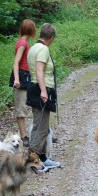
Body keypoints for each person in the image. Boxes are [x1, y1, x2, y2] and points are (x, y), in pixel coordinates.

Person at [26, 23, 61, 170]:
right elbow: (39, 71)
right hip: (41, 89)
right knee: (41, 127)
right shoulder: (43, 49)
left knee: (41, 126)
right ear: (51, 38)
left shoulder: (33, 48)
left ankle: (42, 158)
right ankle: (32, 160)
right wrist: (44, 91)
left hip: (35, 88)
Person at [12, 19, 37, 146]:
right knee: (21, 107)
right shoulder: (22, 43)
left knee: (33, 105)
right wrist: (17, 79)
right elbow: (16, 62)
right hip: (22, 77)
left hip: (27, 76)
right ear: (31, 29)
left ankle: (38, 134)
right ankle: (24, 136)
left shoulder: (25, 42)